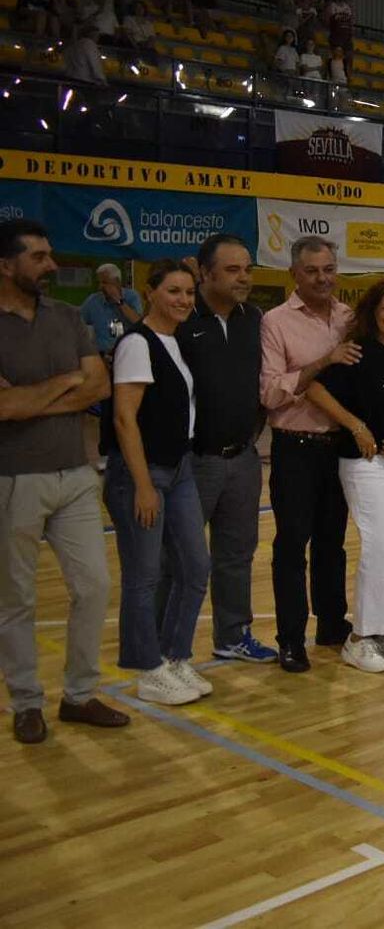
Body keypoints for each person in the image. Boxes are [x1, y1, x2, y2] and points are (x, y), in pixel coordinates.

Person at [0, 219, 124, 744]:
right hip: (13, 478)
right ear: (7, 266)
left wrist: (35, 396)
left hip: (75, 472)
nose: (51, 265)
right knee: (16, 599)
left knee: (94, 586)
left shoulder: (68, 316)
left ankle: (78, 695)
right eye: (39, 257)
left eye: (50, 255)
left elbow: (99, 383)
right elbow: (4, 406)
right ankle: (26, 702)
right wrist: (65, 381)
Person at [302, 279, 384, 673]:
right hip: (367, 464)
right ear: (374, 311)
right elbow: (314, 390)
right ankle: (359, 638)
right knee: (378, 550)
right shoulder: (359, 354)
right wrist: (356, 426)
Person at [104, 260, 214, 706]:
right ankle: (147, 668)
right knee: (144, 574)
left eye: (189, 292)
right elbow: (124, 418)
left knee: (195, 567)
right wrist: (143, 485)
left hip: (181, 467)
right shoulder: (137, 343)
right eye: (174, 292)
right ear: (150, 293)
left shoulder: (178, 340)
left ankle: (174, 656)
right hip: (143, 474)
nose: (184, 300)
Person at [172, 234, 276, 665]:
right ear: (205, 273)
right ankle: (168, 652)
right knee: (181, 561)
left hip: (245, 459)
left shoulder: (256, 320)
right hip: (194, 463)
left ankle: (232, 635)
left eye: (247, 269)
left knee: (236, 554)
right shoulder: (181, 322)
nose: (244, 277)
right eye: (232, 270)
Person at [260, 236, 356, 672]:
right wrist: (323, 362)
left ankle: (333, 624)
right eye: (313, 271)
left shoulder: (348, 317)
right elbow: (271, 393)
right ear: (294, 275)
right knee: (291, 545)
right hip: (295, 447)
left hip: (339, 447)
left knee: (332, 544)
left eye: (329, 269)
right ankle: (291, 638)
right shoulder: (275, 322)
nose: (323, 278)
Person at [80, 263, 143, 358]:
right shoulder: (93, 301)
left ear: (117, 282)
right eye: (99, 283)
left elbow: (138, 322)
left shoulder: (132, 297)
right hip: (102, 355)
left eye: (104, 283)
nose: (100, 287)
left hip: (127, 354)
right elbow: (77, 321)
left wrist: (119, 301)